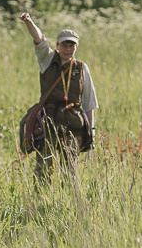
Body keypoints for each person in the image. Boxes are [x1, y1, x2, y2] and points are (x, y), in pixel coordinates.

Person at [18, 12, 98, 184]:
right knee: (43, 168)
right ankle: (39, 201)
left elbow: (89, 103)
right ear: (57, 45)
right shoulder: (47, 59)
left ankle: (70, 205)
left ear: (76, 47)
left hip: (73, 123)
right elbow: (39, 39)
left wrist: (91, 132)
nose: (68, 49)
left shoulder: (82, 68)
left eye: (72, 45)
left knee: (70, 172)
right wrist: (29, 21)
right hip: (48, 122)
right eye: (65, 45)